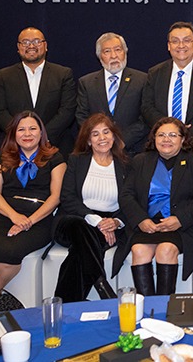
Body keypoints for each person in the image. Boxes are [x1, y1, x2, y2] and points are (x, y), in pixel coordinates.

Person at [0, 111, 66, 317]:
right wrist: (14, 217)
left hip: (39, 219)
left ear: (41, 132)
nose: (27, 134)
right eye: (21, 129)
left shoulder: (55, 158)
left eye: (32, 129)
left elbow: (55, 197)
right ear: (13, 133)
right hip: (4, 214)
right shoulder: (3, 157)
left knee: (10, 256)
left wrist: (28, 221)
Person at [118, 117, 193, 296]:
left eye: (172, 135)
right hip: (147, 224)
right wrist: (141, 220)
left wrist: (180, 220)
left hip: (183, 226)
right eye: (161, 135)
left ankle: (164, 305)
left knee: (166, 249)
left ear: (183, 139)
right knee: (139, 250)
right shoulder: (140, 161)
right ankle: (148, 306)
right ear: (154, 138)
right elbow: (126, 195)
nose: (166, 139)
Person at [52, 113, 129, 302]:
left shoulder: (126, 164)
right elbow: (67, 197)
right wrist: (96, 221)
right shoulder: (76, 160)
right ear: (88, 140)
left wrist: (116, 222)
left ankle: (67, 303)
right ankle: (101, 284)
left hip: (108, 224)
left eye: (106, 132)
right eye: (95, 134)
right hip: (73, 218)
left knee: (79, 253)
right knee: (82, 229)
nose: (102, 138)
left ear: (114, 136)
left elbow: (131, 201)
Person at [141, 22, 193, 167]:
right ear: (168, 46)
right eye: (175, 41)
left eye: (186, 40)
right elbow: (147, 107)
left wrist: (186, 134)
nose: (181, 45)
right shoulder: (155, 73)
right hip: (163, 148)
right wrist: (169, 132)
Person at [0, 27, 77, 156]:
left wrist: (42, 137)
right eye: (25, 42)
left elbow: (67, 110)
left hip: (55, 146)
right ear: (18, 47)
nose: (31, 46)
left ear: (45, 46)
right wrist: (21, 135)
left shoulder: (63, 74)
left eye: (37, 41)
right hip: (15, 148)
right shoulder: (4, 76)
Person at [76, 32, 148, 153]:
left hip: (133, 150)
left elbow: (146, 118)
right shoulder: (87, 83)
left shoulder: (143, 80)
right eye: (107, 51)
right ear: (100, 56)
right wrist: (100, 139)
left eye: (118, 50)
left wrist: (122, 140)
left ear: (125, 52)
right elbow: (82, 117)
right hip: (98, 150)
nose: (114, 56)